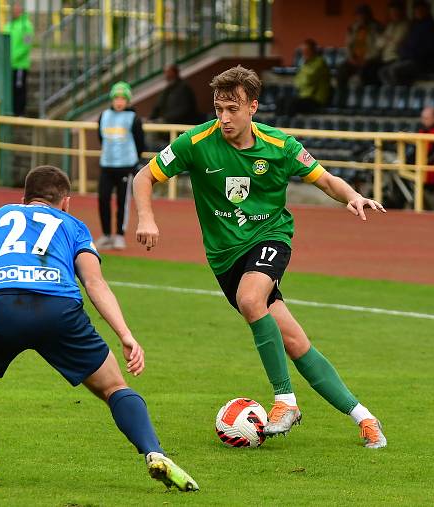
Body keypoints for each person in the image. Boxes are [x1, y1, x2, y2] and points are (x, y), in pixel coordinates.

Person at [0, 166, 199, 490]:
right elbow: (94, 281)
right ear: (66, 202)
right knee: (114, 387)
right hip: (59, 311)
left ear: (23, 198)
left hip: (1, 307)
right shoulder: (73, 225)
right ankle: (154, 452)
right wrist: (125, 335)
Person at [133, 65, 388, 449]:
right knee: (295, 341)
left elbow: (325, 179)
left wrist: (352, 196)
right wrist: (147, 218)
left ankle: (285, 402)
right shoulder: (196, 141)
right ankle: (365, 418)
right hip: (224, 258)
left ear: (253, 107)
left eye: (232, 109)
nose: (224, 118)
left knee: (251, 299)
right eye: (219, 108)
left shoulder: (281, 145)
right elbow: (143, 177)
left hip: (271, 237)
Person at [96, 82, 145, 250]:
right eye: (116, 98)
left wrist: (133, 162)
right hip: (107, 165)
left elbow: (140, 143)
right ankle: (106, 234)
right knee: (103, 198)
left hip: (126, 167)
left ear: (128, 100)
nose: (119, 101)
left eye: (123, 98)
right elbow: (101, 138)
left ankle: (119, 235)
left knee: (122, 202)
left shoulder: (133, 119)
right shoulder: (104, 116)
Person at [379, 0, 434, 86]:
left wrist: (411, 55)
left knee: (393, 71)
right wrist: (403, 52)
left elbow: (429, 49)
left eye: (420, 10)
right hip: (407, 59)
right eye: (416, 10)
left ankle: (401, 95)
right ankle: (392, 95)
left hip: (422, 62)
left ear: (427, 10)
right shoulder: (414, 25)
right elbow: (405, 44)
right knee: (383, 71)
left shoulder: (432, 27)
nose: (418, 12)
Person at [335, 4, 383, 91]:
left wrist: (366, 60)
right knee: (341, 70)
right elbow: (348, 46)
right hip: (355, 60)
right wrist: (351, 58)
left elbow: (378, 48)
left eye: (363, 14)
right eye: (359, 15)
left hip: (370, 60)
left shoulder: (377, 28)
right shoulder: (353, 28)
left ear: (369, 15)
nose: (361, 17)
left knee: (366, 73)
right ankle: (341, 97)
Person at [362, 1, 409, 85]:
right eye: (391, 12)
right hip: (384, 58)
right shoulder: (390, 25)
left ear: (401, 12)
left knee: (381, 71)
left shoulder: (405, 24)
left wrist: (386, 39)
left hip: (395, 57)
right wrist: (387, 39)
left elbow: (397, 41)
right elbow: (379, 44)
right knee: (366, 69)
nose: (393, 14)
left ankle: (388, 94)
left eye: (395, 12)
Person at [281, 39, 331, 117]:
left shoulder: (320, 63)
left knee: (292, 103)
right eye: (303, 51)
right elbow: (297, 82)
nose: (304, 54)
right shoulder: (305, 63)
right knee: (281, 100)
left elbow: (308, 80)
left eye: (306, 51)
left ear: (313, 51)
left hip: (316, 100)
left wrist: (303, 70)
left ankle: (289, 126)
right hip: (304, 97)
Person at [2, 2, 34, 116]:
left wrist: (13, 57)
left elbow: (27, 45)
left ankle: (20, 113)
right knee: (10, 89)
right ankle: (10, 112)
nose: (15, 10)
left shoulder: (27, 26)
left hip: (20, 65)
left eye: (17, 7)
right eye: (14, 7)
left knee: (19, 89)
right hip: (8, 65)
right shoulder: (9, 25)